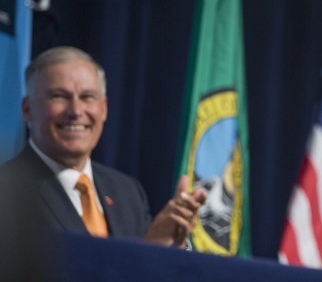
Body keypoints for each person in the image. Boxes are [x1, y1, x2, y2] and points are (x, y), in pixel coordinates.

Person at [0, 46, 207, 253]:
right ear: (27, 109)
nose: (76, 111)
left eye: (87, 97)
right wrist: (147, 252)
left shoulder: (127, 192)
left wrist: (171, 249)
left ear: (104, 108)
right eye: (59, 96)